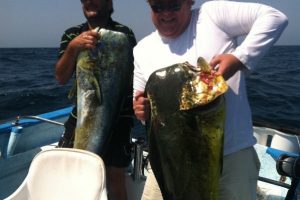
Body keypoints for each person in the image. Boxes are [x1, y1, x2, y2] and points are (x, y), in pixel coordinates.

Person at [132, 0, 288, 199]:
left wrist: (239, 58)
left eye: (174, 5)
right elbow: (141, 104)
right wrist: (141, 110)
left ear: (189, 2)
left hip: (232, 157)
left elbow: (275, 18)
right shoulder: (142, 49)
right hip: (171, 162)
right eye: (158, 7)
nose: (166, 13)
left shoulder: (212, 15)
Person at [55, 0, 136, 200]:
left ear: (109, 3)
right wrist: (73, 47)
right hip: (83, 115)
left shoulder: (124, 33)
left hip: (118, 116)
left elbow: (132, 76)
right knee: (71, 168)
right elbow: (61, 77)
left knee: (114, 178)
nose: (90, 1)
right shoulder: (72, 34)